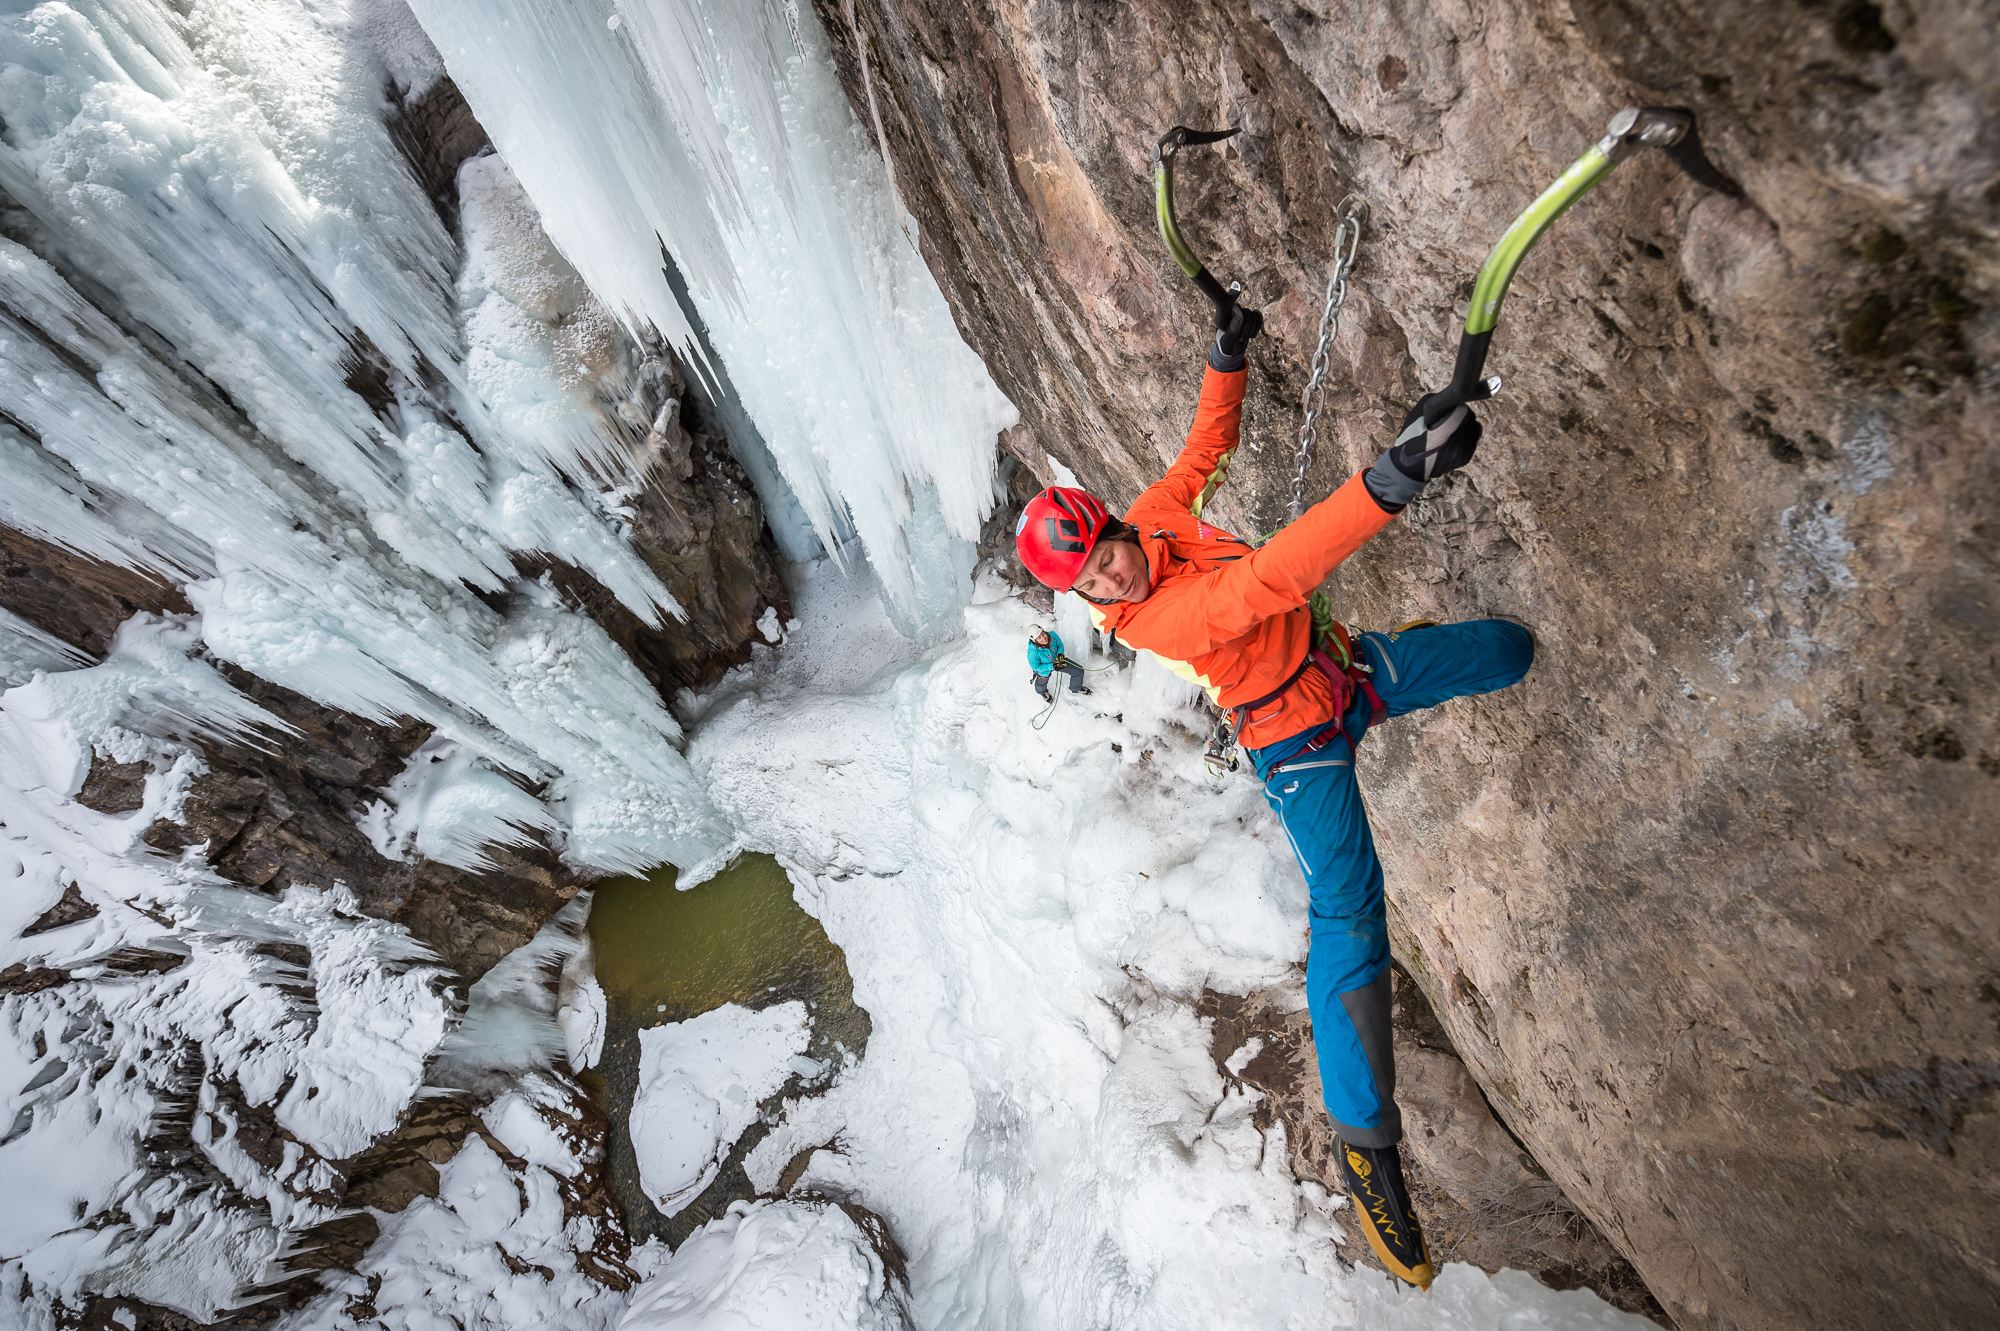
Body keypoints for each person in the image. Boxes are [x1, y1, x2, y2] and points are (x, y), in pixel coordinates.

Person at [1013, 299, 1533, 1289]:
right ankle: (1363, 1144)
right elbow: (1264, 582)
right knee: (1349, 908)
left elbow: (1200, 448)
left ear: (1114, 525)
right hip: (1296, 741)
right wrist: (1388, 480)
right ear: (1081, 597)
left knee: (1507, 651)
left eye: (1106, 550)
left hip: (1342, 672)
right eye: (1091, 578)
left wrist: (1224, 355)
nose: (1110, 573)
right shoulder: (1160, 618)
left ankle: (1433, 653)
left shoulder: (1153, 523)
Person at [1027, 626, 1089, 700]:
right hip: (1045, 668)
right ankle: (1042, 692)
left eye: (1043, 634)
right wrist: (1052, 666)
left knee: (1078, 671)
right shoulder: (1032, 653)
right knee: (1041, 682)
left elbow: (1060, 645)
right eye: (1039, 638)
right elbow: (1036, 667)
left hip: (1058, 660)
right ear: (1035, 641)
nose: (1043, 638)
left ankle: (1076, 688)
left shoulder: (1052, 635)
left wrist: (1060, 655)